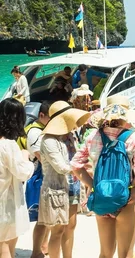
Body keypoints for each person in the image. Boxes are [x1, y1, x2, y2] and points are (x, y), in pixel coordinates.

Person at [71, 103, 135, 258]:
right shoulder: (133, 137)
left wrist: (92, 186)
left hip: (101, 198)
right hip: (126, 199)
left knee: (105, 253)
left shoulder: (93, 136)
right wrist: (134, 184)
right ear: (125, 118)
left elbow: (75, 165)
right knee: (126, 254)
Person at [38, 101, 91, 258]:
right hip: (56, 189)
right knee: (58, 230)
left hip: (72, 187)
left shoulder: (70, 136)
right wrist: (82, 166)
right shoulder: (48, 140)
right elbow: (60, 166)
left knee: (71, 226)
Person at [0, 98, 35, 258]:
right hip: (6, 203)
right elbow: (22, 172)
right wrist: (26, 157)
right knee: (5, 247)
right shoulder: (8, 145)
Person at [20, 101, 51, 258]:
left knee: (47, 217)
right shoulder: (34, 132)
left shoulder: (43, 129)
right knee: (42, 217)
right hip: (39, 177)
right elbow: (41, 157)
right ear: (41, 115)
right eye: (50, 117)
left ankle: (44, 246)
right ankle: (36, 251)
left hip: (45, 175)